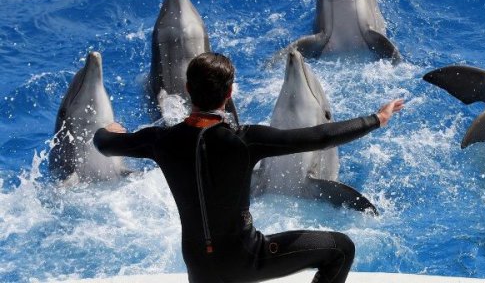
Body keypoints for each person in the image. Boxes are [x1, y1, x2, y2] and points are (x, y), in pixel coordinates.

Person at [94, 52, 403, 283]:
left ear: (188, 90)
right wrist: (377, 119)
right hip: (246, 258)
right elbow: (319, 137)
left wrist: (111, 129)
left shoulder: (159, 141)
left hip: (198, 267)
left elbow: (104, 143)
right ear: (229, 94)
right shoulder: (246, 140)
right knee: (341, 248)